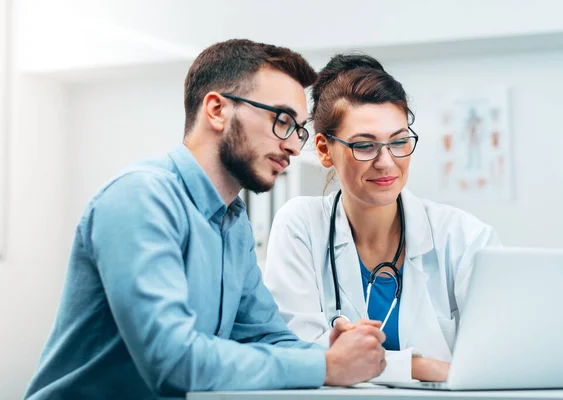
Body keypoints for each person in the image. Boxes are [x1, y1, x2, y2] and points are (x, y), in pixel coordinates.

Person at [25, 40, 388, 399]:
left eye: (299, 129)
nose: (294, 145)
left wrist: (330, 354)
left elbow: (264, 335)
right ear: (216, 110)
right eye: (282, 120)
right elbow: (174, 362)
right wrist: (326, 367)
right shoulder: (140, 198)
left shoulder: (233, 221)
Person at [263, 54, 501, 382]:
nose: (386, 162)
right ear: (323, 149)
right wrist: (420, 367)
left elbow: (497, 360)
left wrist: (355, 361)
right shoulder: (301, 224)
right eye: (364, 145)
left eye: (399, 141)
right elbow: (294, 353)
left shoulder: (465, 238)